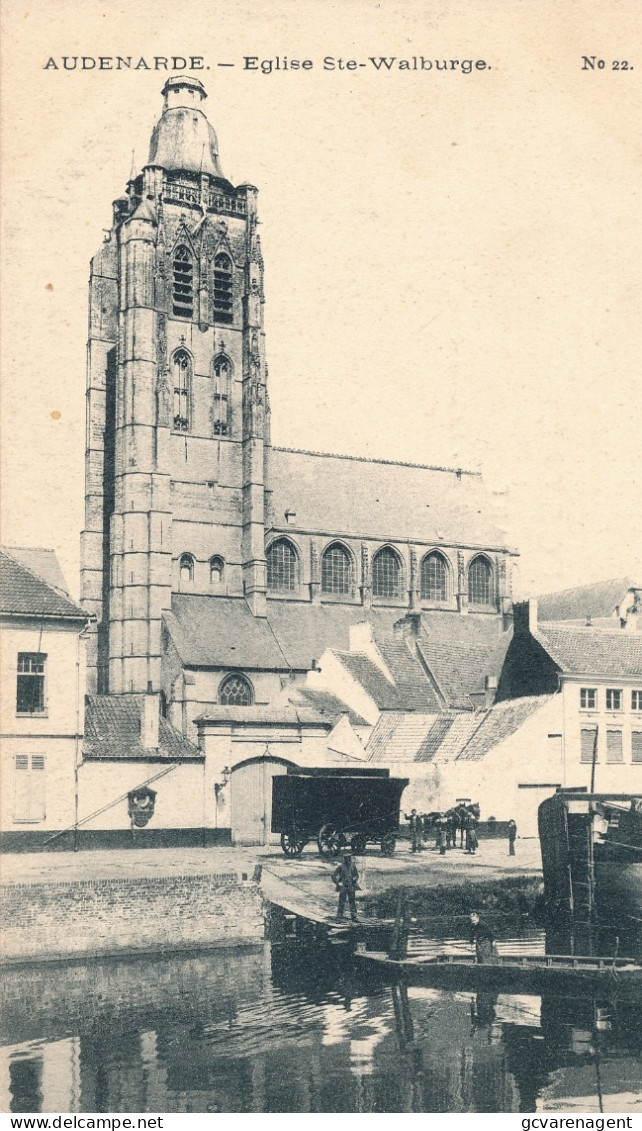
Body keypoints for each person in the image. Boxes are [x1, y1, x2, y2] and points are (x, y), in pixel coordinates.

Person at [332, 850, 360, 922]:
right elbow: (333, 875)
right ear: (344, 859)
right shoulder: (341, 867)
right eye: (347, 858)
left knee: (352, 902)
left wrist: (355, 879)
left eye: (349, 858)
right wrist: (338, 883)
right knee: (341, 902)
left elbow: (356, 875)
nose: (348, 859)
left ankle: (354, 917)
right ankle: (339, 917)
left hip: (351, 887)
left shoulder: (353, 866)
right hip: (343, 887)